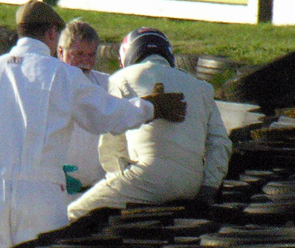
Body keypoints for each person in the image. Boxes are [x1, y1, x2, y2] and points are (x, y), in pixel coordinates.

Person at [0, 0, 187, 248]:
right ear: (50, 33)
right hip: (39, 195)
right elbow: (107, 115)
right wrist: (152, 107)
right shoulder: (61, 75)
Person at [67, 27, 231, 220]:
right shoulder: (202, 87)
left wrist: (118, 182)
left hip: (146, 176)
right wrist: (208, 188)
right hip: (192, 183)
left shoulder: (119, 80)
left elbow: (111, 148)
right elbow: (220, 143)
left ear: (128, 56)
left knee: (73, 214)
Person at [57, 19, 107, 190]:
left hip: (96, 189)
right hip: (55, 188)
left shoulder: (109, 86)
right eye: (79, 55)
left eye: (91, 55)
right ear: (60, 52)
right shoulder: (45, 87)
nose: (86, 62)